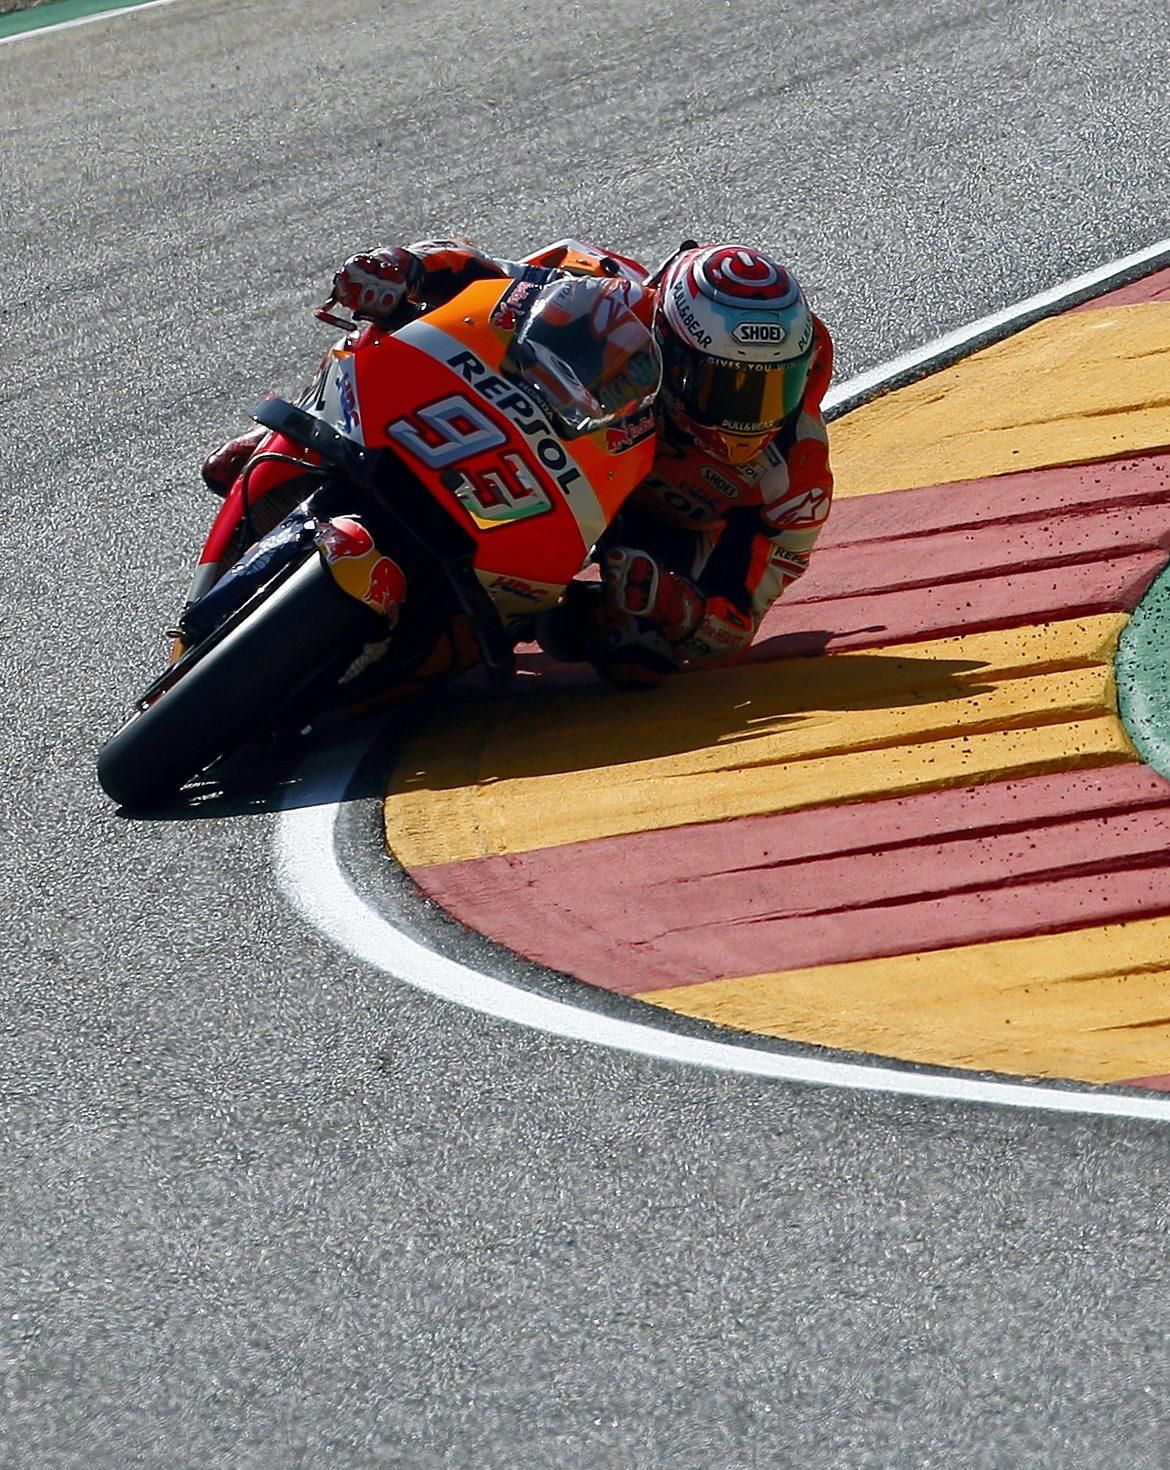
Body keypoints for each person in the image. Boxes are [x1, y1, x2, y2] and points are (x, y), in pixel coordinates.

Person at [202, 237, 834, 686]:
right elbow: (480, 275)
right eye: (731, 386)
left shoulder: (795, 474)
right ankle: (281, 446)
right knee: (364, 343)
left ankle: (449, 642)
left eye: (772, 387)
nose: (751, 414)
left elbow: (741, 618)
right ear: (671, 343)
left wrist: (680, 607)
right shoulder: (604, 289)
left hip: (624, 536)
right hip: (528, 444)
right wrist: (403, 271)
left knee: (640, 658)